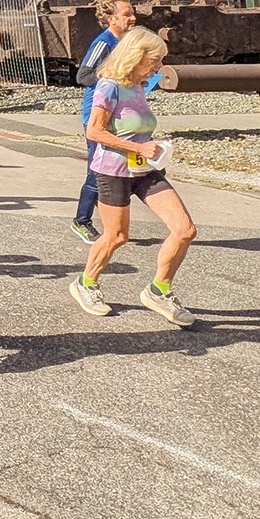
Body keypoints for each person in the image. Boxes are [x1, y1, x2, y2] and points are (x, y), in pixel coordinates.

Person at [69, 27, 199, 327]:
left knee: (185, 230)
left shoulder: (139, 85)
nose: (158, 66)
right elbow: (94, 131)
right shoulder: (109, 86)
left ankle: (159, 291)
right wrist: (137, 146)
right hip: (112, 171)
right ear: (136, 56)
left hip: (144, 170)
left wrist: (153, 146)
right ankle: (86, 283)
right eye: (155, 59)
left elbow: (136, 126)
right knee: (116, 236)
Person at [71, 0, 137, 245]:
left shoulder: (130, 41)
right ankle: (82, 220)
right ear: (111, 19)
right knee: (98, 171)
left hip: (121, 115)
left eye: (133, 13)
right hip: (97, 116)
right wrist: (114, 79)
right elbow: (83, 76)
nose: (133, 18)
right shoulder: (104, 43)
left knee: (120, 169)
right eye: (127, 14)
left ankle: (112, 222)